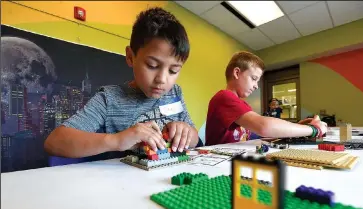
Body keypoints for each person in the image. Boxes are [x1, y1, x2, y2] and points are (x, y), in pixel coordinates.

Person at [44, 7, 199, 158]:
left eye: (173, 70)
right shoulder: (109, 99)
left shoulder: (175, 92)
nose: (162, 79)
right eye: (152, 65)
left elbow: (194, 139)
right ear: (130, 57)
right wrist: (117, 140)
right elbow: (54, 142)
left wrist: (187, 133)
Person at [205, 51, 327, 146]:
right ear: (236, 73)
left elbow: (261, 135)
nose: (256, 86)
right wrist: (313, 129)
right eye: (254, 78)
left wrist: (296, 128)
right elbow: (264, 127)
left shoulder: (244, 106)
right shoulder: (224, 97)